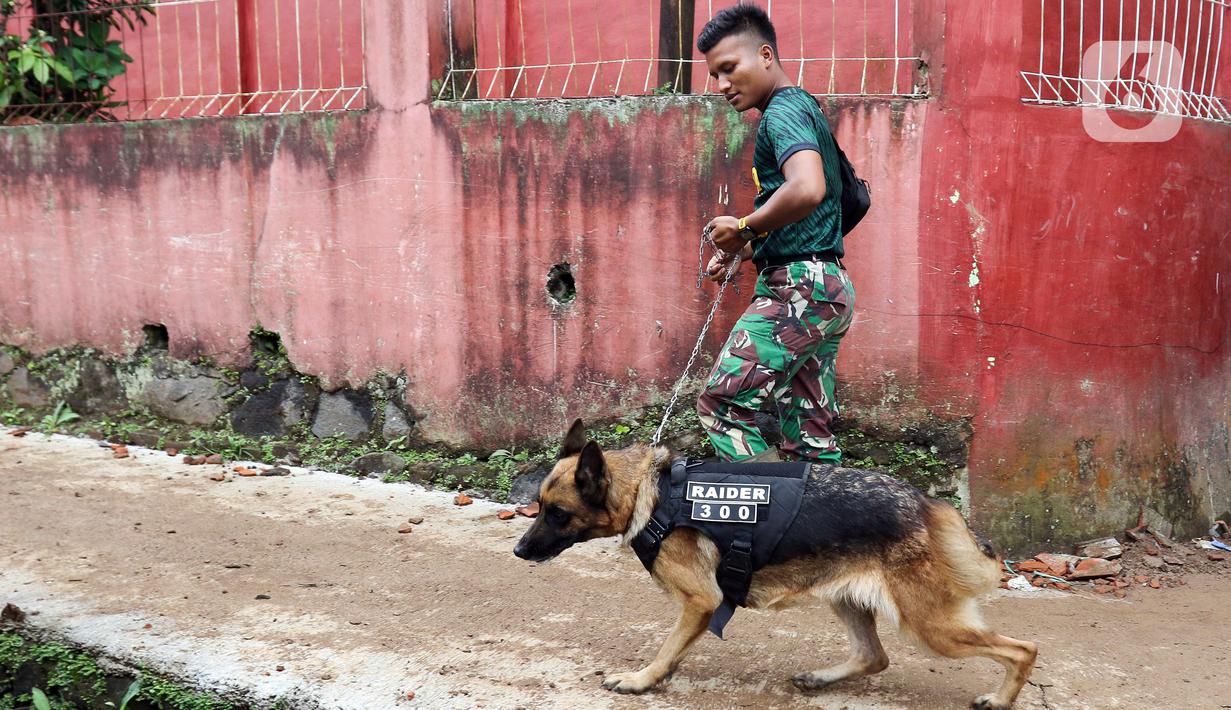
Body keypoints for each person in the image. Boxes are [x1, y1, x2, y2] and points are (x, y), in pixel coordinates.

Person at [694, 4, 856, 464]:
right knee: (809, 439)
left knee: (722, 404)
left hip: (799, 289)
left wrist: (744, 224)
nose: (723, 85)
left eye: (729, 69)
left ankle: (770, 522)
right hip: (827, 286)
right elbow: (809, 210)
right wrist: (744, 249)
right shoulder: (803, 107)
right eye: (715, 75)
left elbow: (808, 188)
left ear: (765, 55)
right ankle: (823, 533)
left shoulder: (781, 112)